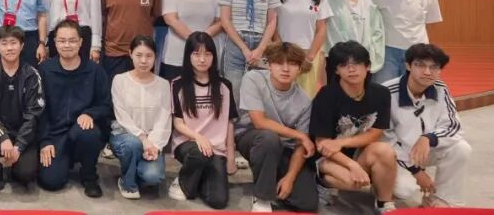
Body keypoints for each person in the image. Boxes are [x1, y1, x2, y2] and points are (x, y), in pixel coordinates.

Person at [310, 41, 397, 213]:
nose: (351, 69)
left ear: (367, 66)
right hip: (327, 157)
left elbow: (375, 133)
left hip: (357, 151)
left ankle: (384, 202)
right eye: (344, 65)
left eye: (356, 63)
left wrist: (342, 143)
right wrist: (353, 165)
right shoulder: (326, 96)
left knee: (385, 151)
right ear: (336, 70)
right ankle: (322, 182)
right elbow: (322, 143)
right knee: (352, 182)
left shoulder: (381, 93)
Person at [383, 43, 470, 208]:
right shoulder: (387, 92)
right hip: (396, 156)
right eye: (420, 65)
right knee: (405, 190)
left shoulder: (440, 88)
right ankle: (380, 187)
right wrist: (416, 171)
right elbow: (385, 139)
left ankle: (441, 200)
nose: (427, 72)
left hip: (424, 151)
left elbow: (453, 126)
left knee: (461, 149)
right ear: (408, 66)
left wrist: (429, 138)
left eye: (434, 67)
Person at [235, 42, 318, 213]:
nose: (285, 69)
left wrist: (290, 178)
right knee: (268, 138)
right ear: (269, 64)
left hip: (284, 147)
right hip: (251, 137)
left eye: (292, 64)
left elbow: (300, 147)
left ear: (300, 68)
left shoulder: (304, 101)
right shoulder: (253, 79)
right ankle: (262, 196)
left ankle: (271, 179)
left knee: (307, 203)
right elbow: (259, 122)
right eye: (279, 63)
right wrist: (300, 135)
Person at [36, 19, 111, 198]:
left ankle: (89, 175)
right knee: (51, 182)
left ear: (81, 42)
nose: (67, 45)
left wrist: (90, 114)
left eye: (72, 40)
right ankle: (64, 161)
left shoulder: (95, 71)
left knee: (89, 132)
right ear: (55, 42)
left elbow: (106, 105)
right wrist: (44, 141)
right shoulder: (44, 70)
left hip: (81, 131)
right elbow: (38, 110)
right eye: (62, 40)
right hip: (55, 134)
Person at [168, 32, 238, 209]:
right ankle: (182, 181)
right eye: (196, 54)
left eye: (207, 54)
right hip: (188, 144)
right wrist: (199, 137)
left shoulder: (224, 85)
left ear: (214, 56)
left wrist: (231, 157)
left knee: (218, 201)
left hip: (216, 149)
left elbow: (229, 123)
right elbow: (178, 123)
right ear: (188, 56)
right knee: (198, 156)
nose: (202, 59)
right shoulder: (178, 84)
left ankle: (198, 177)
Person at [0, 25, 45, 190]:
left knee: (26, 174)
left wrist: (19, 145)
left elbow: (34, 114)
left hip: (22, 132)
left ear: (22, 46)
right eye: (4, 43)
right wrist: (3, 137)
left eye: (13, 43)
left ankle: (15, 162)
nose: (9, 48)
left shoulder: (32, 74)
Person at [368, 0, 443, 84]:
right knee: (383, 90)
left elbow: (430, 25)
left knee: (413, 90)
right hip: (386, 51)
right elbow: (369, 21)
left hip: (417, 52)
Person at [110, 35, 170, 200]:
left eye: (149, 56)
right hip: (124, 135)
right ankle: (127, 183)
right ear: (130, 54)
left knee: (153, 176)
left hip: (152, 140)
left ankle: (136, 169)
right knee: (132, 144)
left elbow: (164, 119)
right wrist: (142, 139)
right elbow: (121, 115)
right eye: (139, 55)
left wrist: (154, 145)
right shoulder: (120, 80)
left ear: (155, 57)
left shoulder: (163, 84)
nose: (144, 61)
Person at [219, 0, 281, 96]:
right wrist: (244, 48)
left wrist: (260, 49)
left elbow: (272, 21)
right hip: (235, 43)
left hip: (261, 43)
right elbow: (225, 20)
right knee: (234, 89)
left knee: (259, 91)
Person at [274, 0, 332, 97]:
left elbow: (321, 29)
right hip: (283, 52)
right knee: (281, 94)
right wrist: (282, 51)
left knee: (306, 96)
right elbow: (272, 26)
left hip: (309, 53)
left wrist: (309, 57)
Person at [161, 0, 221, 81]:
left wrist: (203, 41)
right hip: (176, 56)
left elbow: (221, 21)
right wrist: (195, 42)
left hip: (206, 57)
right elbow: (171, 20)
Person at [326, 0, 386, 78]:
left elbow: (377, 33)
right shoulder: (328, 3)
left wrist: (368, 55)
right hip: (337, 60)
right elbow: (326, 34)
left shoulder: (369, 5)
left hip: (362, 60)